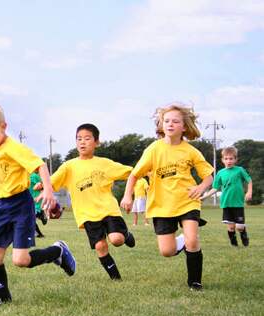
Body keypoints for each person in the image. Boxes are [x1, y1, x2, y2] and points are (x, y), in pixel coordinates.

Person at [0, 103, 76, 305]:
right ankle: (3, 299)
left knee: (21, 260)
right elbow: (2, 175)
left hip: (20, 206)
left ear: (3, 127)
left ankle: (58, 251)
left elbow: (40, 166)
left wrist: (48, 190)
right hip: (0, 207)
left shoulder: (14, 148)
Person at [121, 104, 213, 291]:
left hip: (187, 201)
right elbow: (134, 175)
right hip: (162, 206)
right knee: (167, 251)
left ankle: (195, 282)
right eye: (167, 121)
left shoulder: (190, 151)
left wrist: (201, 187)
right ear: (161, 125)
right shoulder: (153, 149)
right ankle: (183, 239)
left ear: (184, 127)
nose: (170, 124)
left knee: (193, 241)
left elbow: (208, 176)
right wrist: (127, 196)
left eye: (175, 121)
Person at [37, 123, 135, 281]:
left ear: (96, 142)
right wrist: (43, 184)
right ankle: (116, 279)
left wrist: (147, 171)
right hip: (87, 214)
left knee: (116, 240)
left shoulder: (104, 163)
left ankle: (126, 234)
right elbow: (53, 181)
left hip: (108, 209)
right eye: (79, 139)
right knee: (100, 246)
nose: (82, 142)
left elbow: (131, 172)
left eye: (87, 138)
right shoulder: (69, 166)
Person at [201, 146, 252, 247]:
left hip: (237, 203)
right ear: (222, 160)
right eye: (226, 159)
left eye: (231, 158)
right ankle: (234, 244)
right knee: (231, 227)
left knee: (240, 227)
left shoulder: (239, 170)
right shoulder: (220, 173)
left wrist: (249, 192)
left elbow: (249, 180)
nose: (229, 161)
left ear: (235, 159)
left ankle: (243, 235)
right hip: (226, 203)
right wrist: (204, 197)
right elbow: (215, 188)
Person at [29, 171, 46, 238]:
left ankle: (41, 214)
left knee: (30, 218)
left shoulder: (34, 176)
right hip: (29, 201)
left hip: (36, 200)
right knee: (30, 218)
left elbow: (43, 187)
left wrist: (41, 195)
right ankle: (39, 234)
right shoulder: (23, 176)